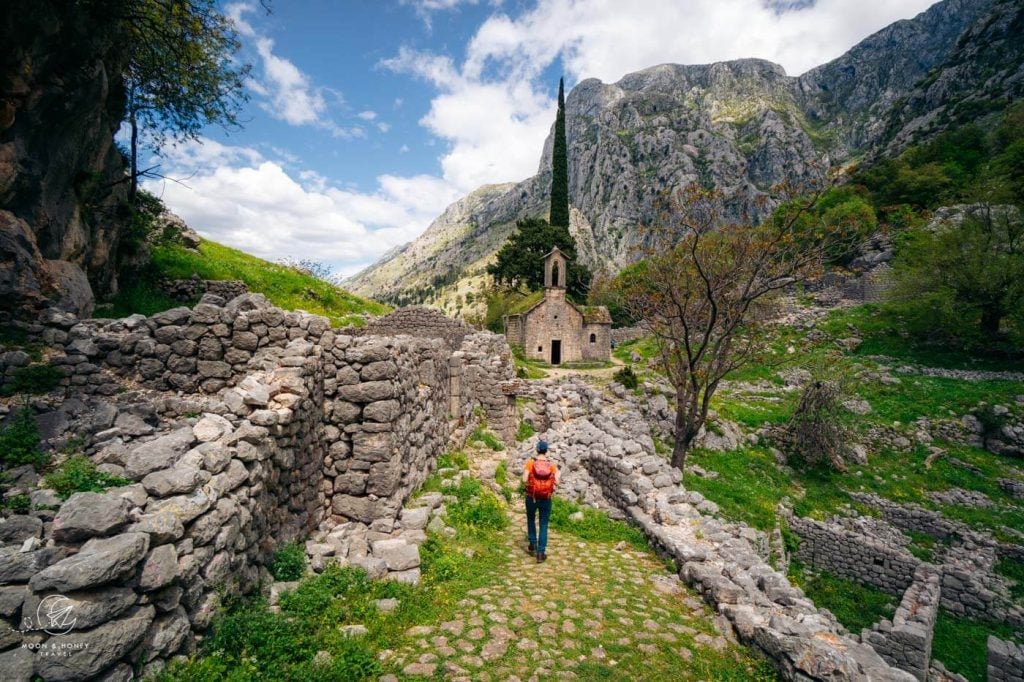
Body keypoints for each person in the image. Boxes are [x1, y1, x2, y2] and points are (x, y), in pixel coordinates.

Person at [523, 440, 559, 562]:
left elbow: (524, 479)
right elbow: (557, 482)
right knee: (543, 524)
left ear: (537, 450)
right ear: (546, 451)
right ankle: (540, 553)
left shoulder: (530, 464)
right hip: (546, 498)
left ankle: (533, 543)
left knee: (531, 518)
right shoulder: (551, 466)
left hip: (531, 496)